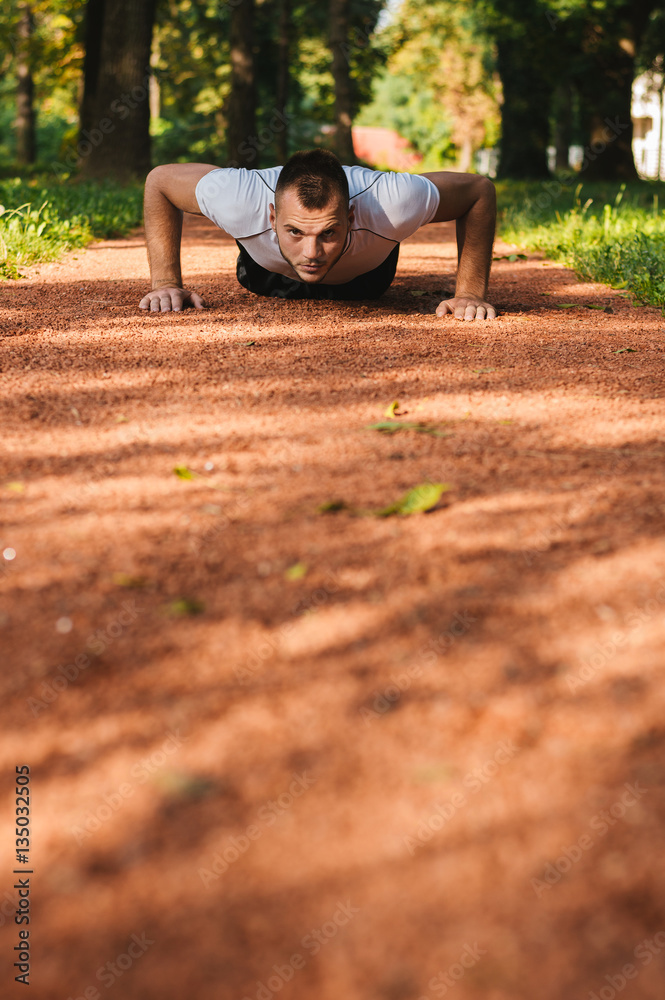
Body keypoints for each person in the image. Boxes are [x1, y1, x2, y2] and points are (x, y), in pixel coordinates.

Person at [139, 148, 497, 320]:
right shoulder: (239, 198)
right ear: (272, 214)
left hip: (366, 280)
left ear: (352, 215)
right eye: (295, 231)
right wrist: (165, 283)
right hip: (266, 275)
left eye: (328, 232)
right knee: (262, 275)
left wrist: (468, 293)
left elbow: (478, 191)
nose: (312, 252)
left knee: (358, 291)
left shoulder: (393, 203)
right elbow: (160, 182)